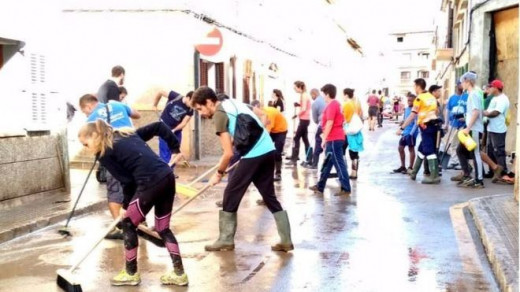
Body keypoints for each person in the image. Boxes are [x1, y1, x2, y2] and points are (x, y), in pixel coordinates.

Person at [78, 120, 188, 286]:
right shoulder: (127, 134)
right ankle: (179, 274)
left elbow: (128, 182)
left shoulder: (105, 153)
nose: (86, 148)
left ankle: (131, 273)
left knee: (128, 224)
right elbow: (158, 126)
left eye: (85, 144)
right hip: (167, 177)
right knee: (162, 228)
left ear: (94, 136)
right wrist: (175, 149)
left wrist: (125, 207)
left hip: (149, 183)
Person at [190, 86, 293, 252]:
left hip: (254, 153)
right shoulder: (232, 102)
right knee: (268, 195)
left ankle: (225, 239)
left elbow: (228, 154)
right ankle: (286, 240)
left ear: (209, 102)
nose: (200, 113)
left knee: (230, 193)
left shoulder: (219, 114)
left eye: (199, 108)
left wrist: (218, 174)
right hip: (268, 149)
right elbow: (254, 118)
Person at [80, 94, 141, 239]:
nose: (86, 114)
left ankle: (121, 228)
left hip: (114, 156)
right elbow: (137, 115)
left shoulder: (91, 120)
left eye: (85, 111)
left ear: (88, 106)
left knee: (115, 191)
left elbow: (93, 142)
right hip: (134, 151)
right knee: (137, 190)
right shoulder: (118, 105)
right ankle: (139, 224)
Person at [309, 84, 351, 196]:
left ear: (327, 94)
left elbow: (330, 122)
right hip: (334, 138)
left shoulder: (333, 105)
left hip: (334, 139)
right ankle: (320, 186)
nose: (322, 96)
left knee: (338, 163)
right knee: (327, 164)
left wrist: (324, 139)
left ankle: (346, 188)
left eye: (323, 93)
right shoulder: (335, 104)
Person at [397, 78, 441, 184]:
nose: (414, 88)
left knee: (429, 151)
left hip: (425, 126)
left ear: (417, 86)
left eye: (414, 86)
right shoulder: (431, 97)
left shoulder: (419, 98)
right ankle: (414, 173)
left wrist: (402, 128)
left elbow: (412, 115)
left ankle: (434, 176)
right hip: (434, 125)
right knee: (422, 149)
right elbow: (437, 111)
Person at [453, 71, 485, 188]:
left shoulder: (474, 94)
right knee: (460, 151)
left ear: (467, 81)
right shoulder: (472, 94)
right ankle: (467, 175)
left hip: (474, 129)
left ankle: (479, 180)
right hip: (471, 128)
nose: (461, 85)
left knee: (475, 153)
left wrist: (468, 127)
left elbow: (476, 112)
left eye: (462, 82)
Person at [153, 90, 194, 166]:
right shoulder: (175, 96)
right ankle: (165, 173)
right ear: (188, 98)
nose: (193, 105)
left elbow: (184, 123)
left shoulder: (191, 109)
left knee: (175, 153)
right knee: (164, 152)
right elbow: (160, 91)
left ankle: (171, 172)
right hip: (164, 127)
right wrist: (155, 105)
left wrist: (174, 130)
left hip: (176, 131)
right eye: (192, 103)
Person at [251, 100, 288, 181]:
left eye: (254, 109)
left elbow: (266, 132)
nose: (253, 112)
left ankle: (278, 173)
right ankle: (263, 170)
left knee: (277, 152)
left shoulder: (269, 113)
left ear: (258, 107)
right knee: (264, 150)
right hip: (272, 130)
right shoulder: (260, 113)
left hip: (281, 131)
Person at [483, 79, 510, 182]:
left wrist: (484, 113)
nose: (489, 89)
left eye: (491, 87)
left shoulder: (503, 99)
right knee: (490, 150)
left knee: (499, 151)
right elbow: (490, 110)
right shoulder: (494, 98)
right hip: (491, 128)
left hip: (499, 129)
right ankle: (492, 171)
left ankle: (502, 173)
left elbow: (496, 113)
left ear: (496, 88)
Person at [444, 82, 467, 169]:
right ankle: (454, 161)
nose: (462, 86)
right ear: (457, 86)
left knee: (462, 144)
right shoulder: (452, 98)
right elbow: (447, 111)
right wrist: (446, 124)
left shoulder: (467, 97)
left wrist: (465, 118)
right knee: (453, 143)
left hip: (464, 124)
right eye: (460, 84)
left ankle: (462, 162)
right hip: (453, 123)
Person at [287, 81, 311, 164]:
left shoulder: (304, 95)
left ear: (299, 87)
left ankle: (294, 158)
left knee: (296, 138)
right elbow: (305, 106)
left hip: (304, 119)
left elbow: (304, 109)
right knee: (305, 139)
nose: (294, 89)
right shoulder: (304, 94)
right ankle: (309, 158)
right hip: (305, 119)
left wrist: (296, 115)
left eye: (295, 88)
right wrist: (298, 105)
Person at [342, 88, 364, 179]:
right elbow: (361, 114)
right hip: (356, 130)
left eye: (343, 95)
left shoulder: (347, 104)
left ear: (346, 95)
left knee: (341, 150)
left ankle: (343, 170)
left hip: (348, 130)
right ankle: (354, 173)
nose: (342, 97)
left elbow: (345, 119)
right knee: (354, 152)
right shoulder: (357, 103)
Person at [393, 94, 418, 174]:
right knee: (400, 148)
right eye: (408, 100)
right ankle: (403, 166)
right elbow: (406, 119)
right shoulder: (406, 109)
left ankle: (410, 167)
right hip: (405, 132)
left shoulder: (416, 110)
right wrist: (402, 123)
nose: (409, 102)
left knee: (411, 149)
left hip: (411, 133)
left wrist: (411, 133)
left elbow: (416, 123)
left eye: (411, 100)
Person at [306, 88, 326, 169]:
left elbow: (315, 118)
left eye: (311, 95)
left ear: (314, 94)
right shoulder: (325, 100)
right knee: (326, 144)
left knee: (318, 144)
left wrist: (318, 123)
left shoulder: (315, 103)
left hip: (321, 125)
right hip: (328, 125)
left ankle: (314, 164)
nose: (311, 97)